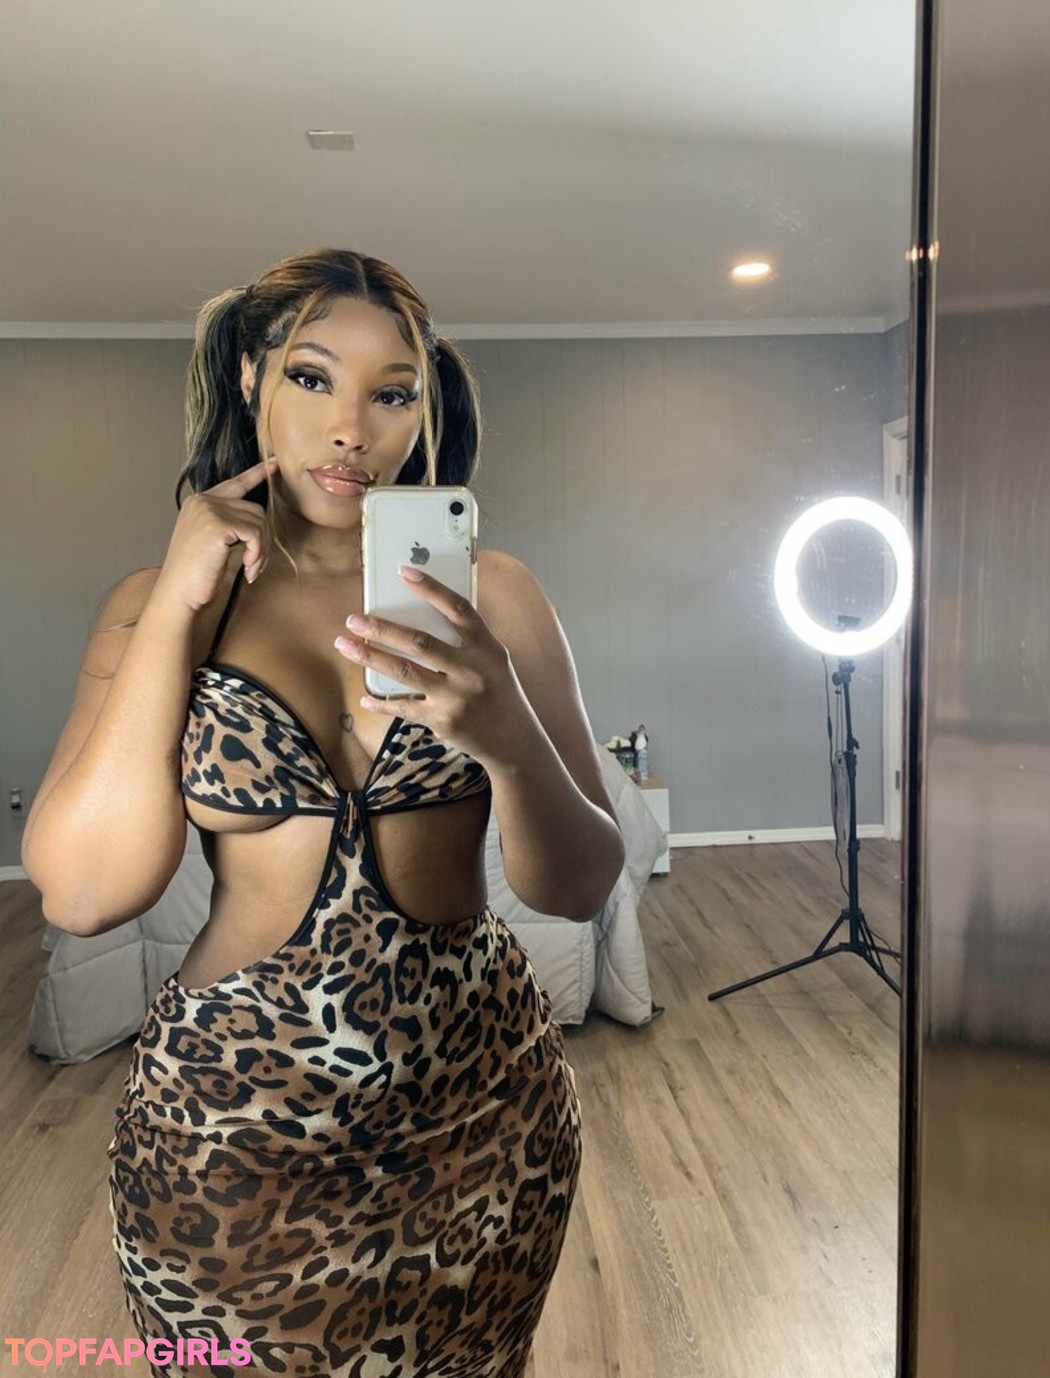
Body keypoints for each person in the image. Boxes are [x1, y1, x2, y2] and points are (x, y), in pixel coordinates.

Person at [21, 248, 626, 1377]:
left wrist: (507, 738)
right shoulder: (159, 605)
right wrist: (176, 605)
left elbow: (580, 885)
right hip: (227, 1137)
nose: (350, 427)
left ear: (423, 411)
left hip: (481, 1121)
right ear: (251, 377)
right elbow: (87, 893)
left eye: (392, 392)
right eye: (311, 377)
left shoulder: (493, 594)